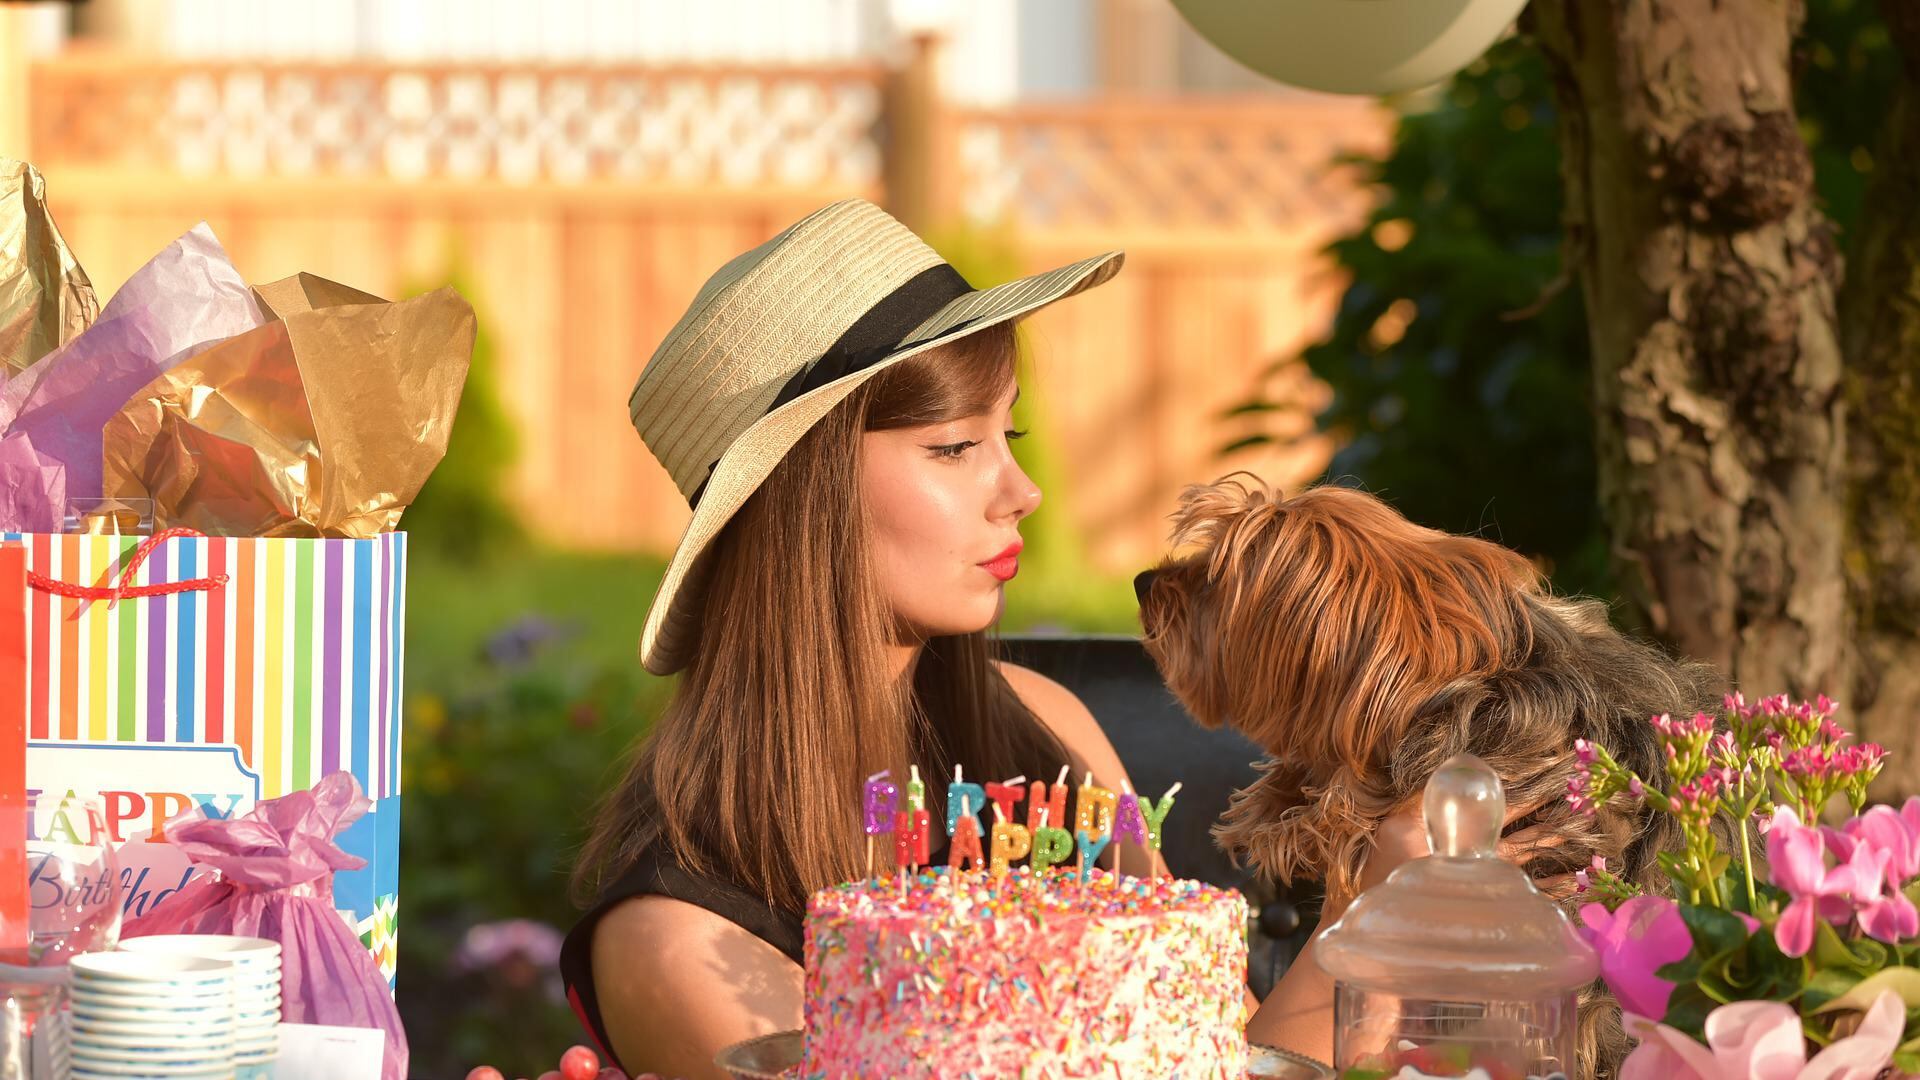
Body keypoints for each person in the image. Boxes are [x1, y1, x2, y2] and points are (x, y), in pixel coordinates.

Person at [559, 199, 1155, 1079]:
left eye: (1009, 433)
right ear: (810, 500)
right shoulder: (684, 933)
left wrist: (1378, 886)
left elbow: (1222, 1036)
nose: (1021, 490)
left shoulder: (1046, 723)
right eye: (954, 447)